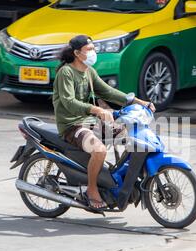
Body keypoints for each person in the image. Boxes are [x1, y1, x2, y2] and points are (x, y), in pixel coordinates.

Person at [53, 35, 156, 209]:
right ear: (77, 53)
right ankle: (91, 189)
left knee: (128, 135)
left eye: (94, 48)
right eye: (89, 49)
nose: (94, 52)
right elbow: (68, 102)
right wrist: (98, 110)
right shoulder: (66, 72)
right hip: (72, 125)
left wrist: (140, 102)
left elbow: (108, 92)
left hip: (90, 121)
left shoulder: (88, 71)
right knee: (99, 150)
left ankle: (116, 178)